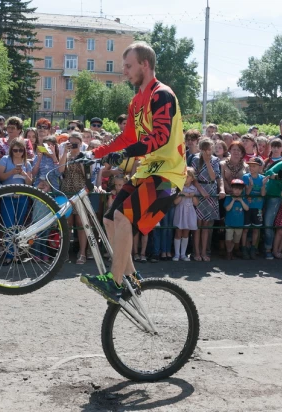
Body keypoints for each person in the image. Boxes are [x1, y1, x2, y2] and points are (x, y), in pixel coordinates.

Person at [79, 41, 186, 302]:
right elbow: (125, 139)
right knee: (109, 219)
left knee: (124, 219)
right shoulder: (136, 100)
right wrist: (94, 153)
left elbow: (160, 137)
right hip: (147, 171)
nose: (124, 72)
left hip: (167, 174)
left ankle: (115, 282)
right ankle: (132, 278)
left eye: (128, 66)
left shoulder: (162, 94)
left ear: (144, 65)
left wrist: (125, 154)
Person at [0, 138, 33, 265]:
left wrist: (23, 174)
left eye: (21, 150)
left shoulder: (27, 163)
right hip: (7, 196)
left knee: (19, 226)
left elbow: (30, 182)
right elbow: (0, 176)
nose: (18, 153)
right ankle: (9, 254)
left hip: (22, 196)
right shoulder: (5, 159)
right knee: (9, 226)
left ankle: (16, 254)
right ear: (11, 150)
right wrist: (12, 172)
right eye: (15, 150)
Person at [58, 132, 91, 264]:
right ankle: (64, 252)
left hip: (81, 192)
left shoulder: (84, 156)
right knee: (67, 223)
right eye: (71, 142)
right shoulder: (65, 156)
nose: (73, 145)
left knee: (81, 223)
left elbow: (86, 174)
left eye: (76, 142)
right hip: (67, 191)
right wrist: (65, 153)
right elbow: (60, 171)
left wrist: (80, 157)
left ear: (81, 143)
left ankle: (82, 253)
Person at [192, 138, 223, 262]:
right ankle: (196, 252)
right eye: (205, 149)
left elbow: (214, 176)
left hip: (211, 189)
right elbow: (193, 178)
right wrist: (201, 190)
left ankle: (205, 252)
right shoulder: (194, 159)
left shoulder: (215, 160)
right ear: (200, 149)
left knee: (206, 225)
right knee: (198, 224)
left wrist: (207, 162)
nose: (208, 152)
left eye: (210, 149)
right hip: (199, 189)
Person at [172, 167, 199, 261]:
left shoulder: (194, 189)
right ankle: (176, 254)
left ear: (192, 178)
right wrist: (182, 194)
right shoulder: (179, 188)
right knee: (178, 232)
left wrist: (193, 196)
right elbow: (175, 202)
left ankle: (183, 254)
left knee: (186, 233)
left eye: (187, 177)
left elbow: (196, 203)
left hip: (189, 212)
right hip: (180, 211)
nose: (185, 178)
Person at [241, 156, 266, 260]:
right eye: (250, 166)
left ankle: (253, 248)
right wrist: (250, 186)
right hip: (247, 207)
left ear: (259, 167)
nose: (251, 168)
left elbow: (263, 194)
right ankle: (244, 249)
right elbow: (246, 193)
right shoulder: (246, 177)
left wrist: (263, 185)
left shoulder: (262, 178)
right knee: (245, 229)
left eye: (254, 166)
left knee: (256, 229)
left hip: (258, 207)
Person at [224, 179, 248, 260]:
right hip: (229, 223)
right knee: (228, 239)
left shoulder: (243, 198)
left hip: (239, 223)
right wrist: (233, 200)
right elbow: (227, 208)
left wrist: (241, 200)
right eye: (235, 189)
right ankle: (228, 252)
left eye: (239, 189)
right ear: (232, 189)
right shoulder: (228, 198)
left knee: (236, 240)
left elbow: (247, 208)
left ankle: (231, 251)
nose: (237, 191)